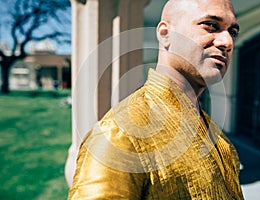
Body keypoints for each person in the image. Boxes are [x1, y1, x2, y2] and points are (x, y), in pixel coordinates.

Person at [68, 0, 244, 199]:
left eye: (233, 32)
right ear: (165, 34)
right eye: (211, 25)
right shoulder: (120, 133)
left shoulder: (217, 136)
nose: (227, 42)